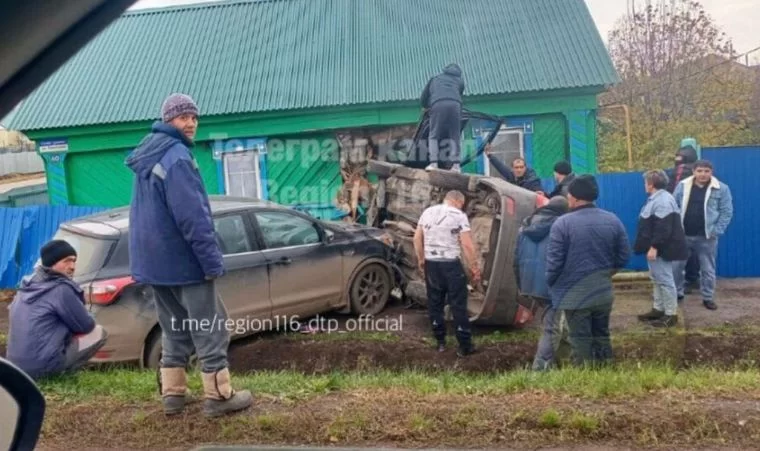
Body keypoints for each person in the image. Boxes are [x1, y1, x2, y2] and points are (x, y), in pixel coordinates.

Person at [125, 93, 252, 417]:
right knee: (210, 326)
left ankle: (173, 396)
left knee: (174, 326)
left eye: (194, 117)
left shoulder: (148, 154)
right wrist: (210, 262)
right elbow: (193, 217)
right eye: (183, 117)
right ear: (168, 120)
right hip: (182, 260)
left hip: (153, 262)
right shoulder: (177, 156)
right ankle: (219, 397)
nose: (191, 123)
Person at [546, 175, 630, 366]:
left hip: (575, 295)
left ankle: (585, 382)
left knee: (580, 340)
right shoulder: (613, 220)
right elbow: (624, 256)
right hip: (603, 292)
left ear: (574, 198)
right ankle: (606, 375)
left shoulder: (563, 224)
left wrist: (551, 284)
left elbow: (554, 263)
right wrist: (605, 275)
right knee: (602, 335)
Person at [6, 240, 108, 380]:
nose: (72, 266)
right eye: (67, 261)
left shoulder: (27, 286)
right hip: (43, 370)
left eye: (74, 261)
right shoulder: (60, 289)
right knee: (98, 332)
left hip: (15, 368)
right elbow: (86, 326)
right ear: (52, 262)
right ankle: (62, 374)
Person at [414, 190, 481, 357]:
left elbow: (416, 238)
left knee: (435, 303)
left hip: (432, 265)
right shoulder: (458, 215)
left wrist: (421, 259)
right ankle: (465, 346)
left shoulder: (427, 212)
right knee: (458, 304)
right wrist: (474, 267)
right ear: (459, 201)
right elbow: (467, 245)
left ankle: (440, 342)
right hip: (451, 265)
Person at [513, 196, 571, 370]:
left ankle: (564, 360)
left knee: (560, 321)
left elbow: (515, 258)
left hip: (529, 282)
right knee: (552, 327)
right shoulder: (561, 226)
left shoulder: (525, 225)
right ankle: (540, 369)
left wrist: (521, 285)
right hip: (552, 283)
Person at [673, 160, 733, 311]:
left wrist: (716, 231)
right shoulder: (682, 186)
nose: (703, 174)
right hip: (683, 235)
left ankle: (708, 297)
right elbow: (673, 207)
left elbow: (727, 212)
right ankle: (677, 293)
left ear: (711, 172)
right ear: (694, 171)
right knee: (677, 267)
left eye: (706, 171)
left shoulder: (721, 188)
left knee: (707, 269)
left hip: (707, 237)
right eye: (699, 171)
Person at [634, 170, 688, 328]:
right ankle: (658, 309)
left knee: (664, 280)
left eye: (645, 182)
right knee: (656, 278)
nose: (644, 185)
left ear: (651, 184)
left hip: (661, 249)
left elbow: (663, 228)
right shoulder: (657, 199)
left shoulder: (663, 200)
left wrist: (654, 247)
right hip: (656, 248)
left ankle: (671, 314)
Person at [665, 145, 700, 289]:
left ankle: (681, 281)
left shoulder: (677, 172)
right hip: (697, 217)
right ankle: (693, 279)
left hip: (679, 215)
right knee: (695, 250)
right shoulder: (699, 172)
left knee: (681, 249)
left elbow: (669, 192)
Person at [420, 63, 465, 172]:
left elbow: (424, 96)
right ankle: (456, 166)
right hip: (455, 105)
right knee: (455, 135)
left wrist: (425, 106)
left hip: (438, 103)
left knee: (434, 134)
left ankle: (434, 164)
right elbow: (459, 93)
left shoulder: (435, 79)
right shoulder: (460, 81)